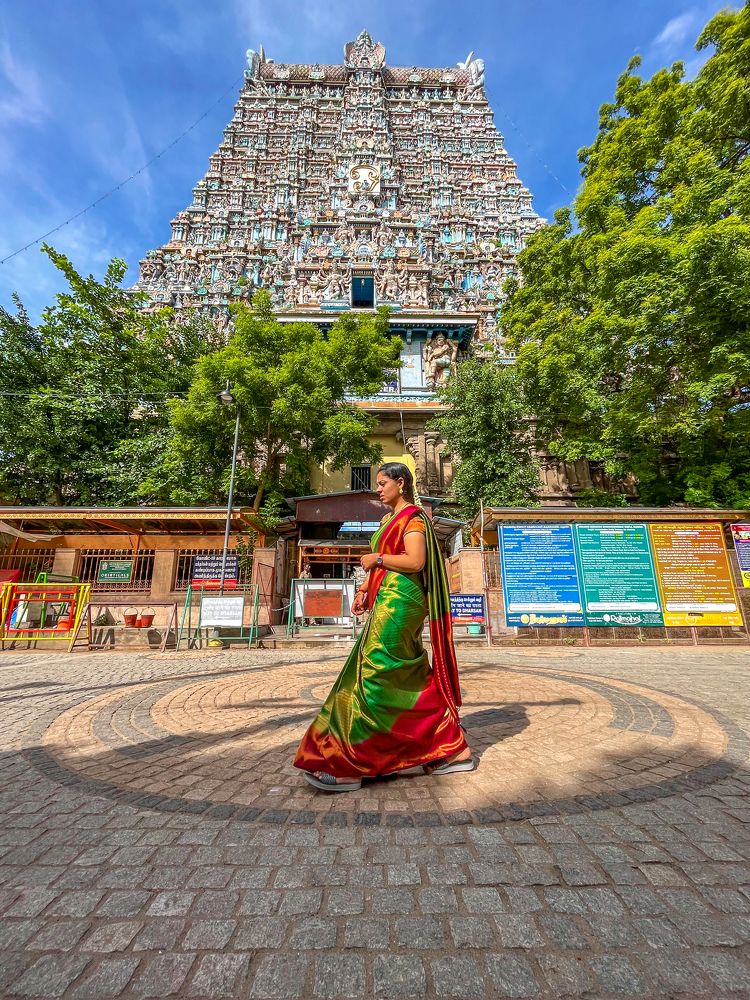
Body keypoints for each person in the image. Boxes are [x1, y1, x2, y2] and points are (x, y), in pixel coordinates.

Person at [294, 462, 473, 791]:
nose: (377, 488)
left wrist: (376, 559)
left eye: (382, 483)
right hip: (388, 596)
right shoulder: (388, 519)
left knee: (376, 667)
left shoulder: (413, 518)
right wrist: (364, 589)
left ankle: (358, 759)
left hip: (405, 599)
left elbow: (414, 562)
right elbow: (387, 560)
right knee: (405, 673)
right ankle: (448, 749)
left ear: (401, 484)